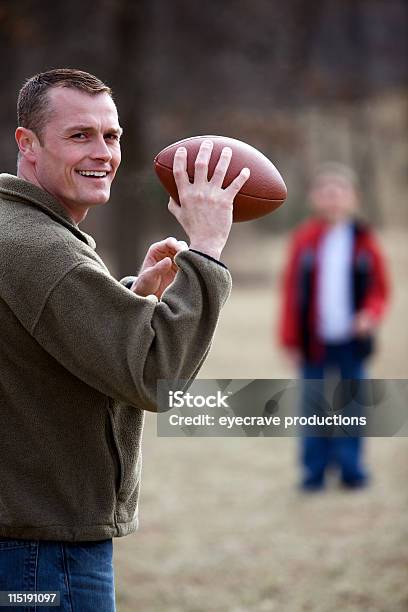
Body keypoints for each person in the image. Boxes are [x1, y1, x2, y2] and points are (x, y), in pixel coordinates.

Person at [0, 69, 250, 609]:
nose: (103, 153)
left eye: (111, 136)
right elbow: (155, 376)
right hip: (43, 552)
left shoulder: (11, 228)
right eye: (78, 135)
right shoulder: (40, 248)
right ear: (27, 143)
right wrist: (206, 248)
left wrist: (130, 296)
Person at [278, 162, 390, 491]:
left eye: (339, 192)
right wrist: (289, 340)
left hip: (352, 340)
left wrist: (369, 314)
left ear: (353, 197)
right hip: (314, 338)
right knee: (314, 407)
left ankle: (351, 469)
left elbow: (380, 290)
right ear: (314, 198)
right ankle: (314, 472)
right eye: (325, 193)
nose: (332, 199)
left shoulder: (364, 240)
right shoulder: (305, 240)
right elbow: (290, 292)